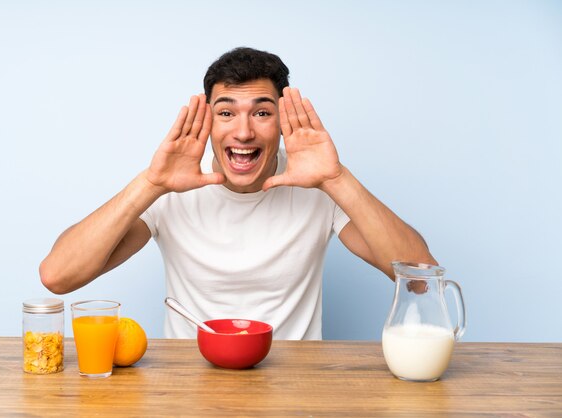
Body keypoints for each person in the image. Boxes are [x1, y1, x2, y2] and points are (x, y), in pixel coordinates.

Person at [40, 47, 436, 340]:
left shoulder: (317, 184)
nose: (243, 132)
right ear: (208, 121)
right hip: (188, 387)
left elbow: (420, 278)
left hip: (294, 386)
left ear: (282, 121)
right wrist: (150, 184)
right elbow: (58, 276)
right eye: (226, 113)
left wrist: (337, 178)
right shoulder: (169, 189)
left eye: (262, 113)